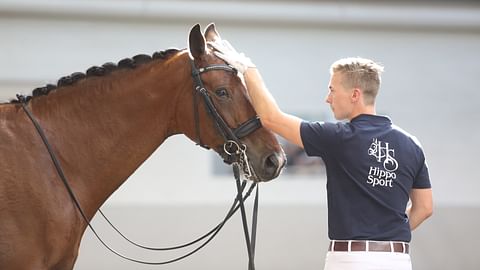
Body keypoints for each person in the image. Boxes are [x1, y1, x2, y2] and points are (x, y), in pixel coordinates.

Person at [209, 40, 433, 270]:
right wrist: (389, 234)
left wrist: (247, 67)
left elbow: (271, 118)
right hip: (398, 260)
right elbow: (425, 208)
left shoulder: (339, 136)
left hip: (351, 260)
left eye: (332, 90)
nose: (328, 98)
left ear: (355, 94)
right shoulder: (412, 144)